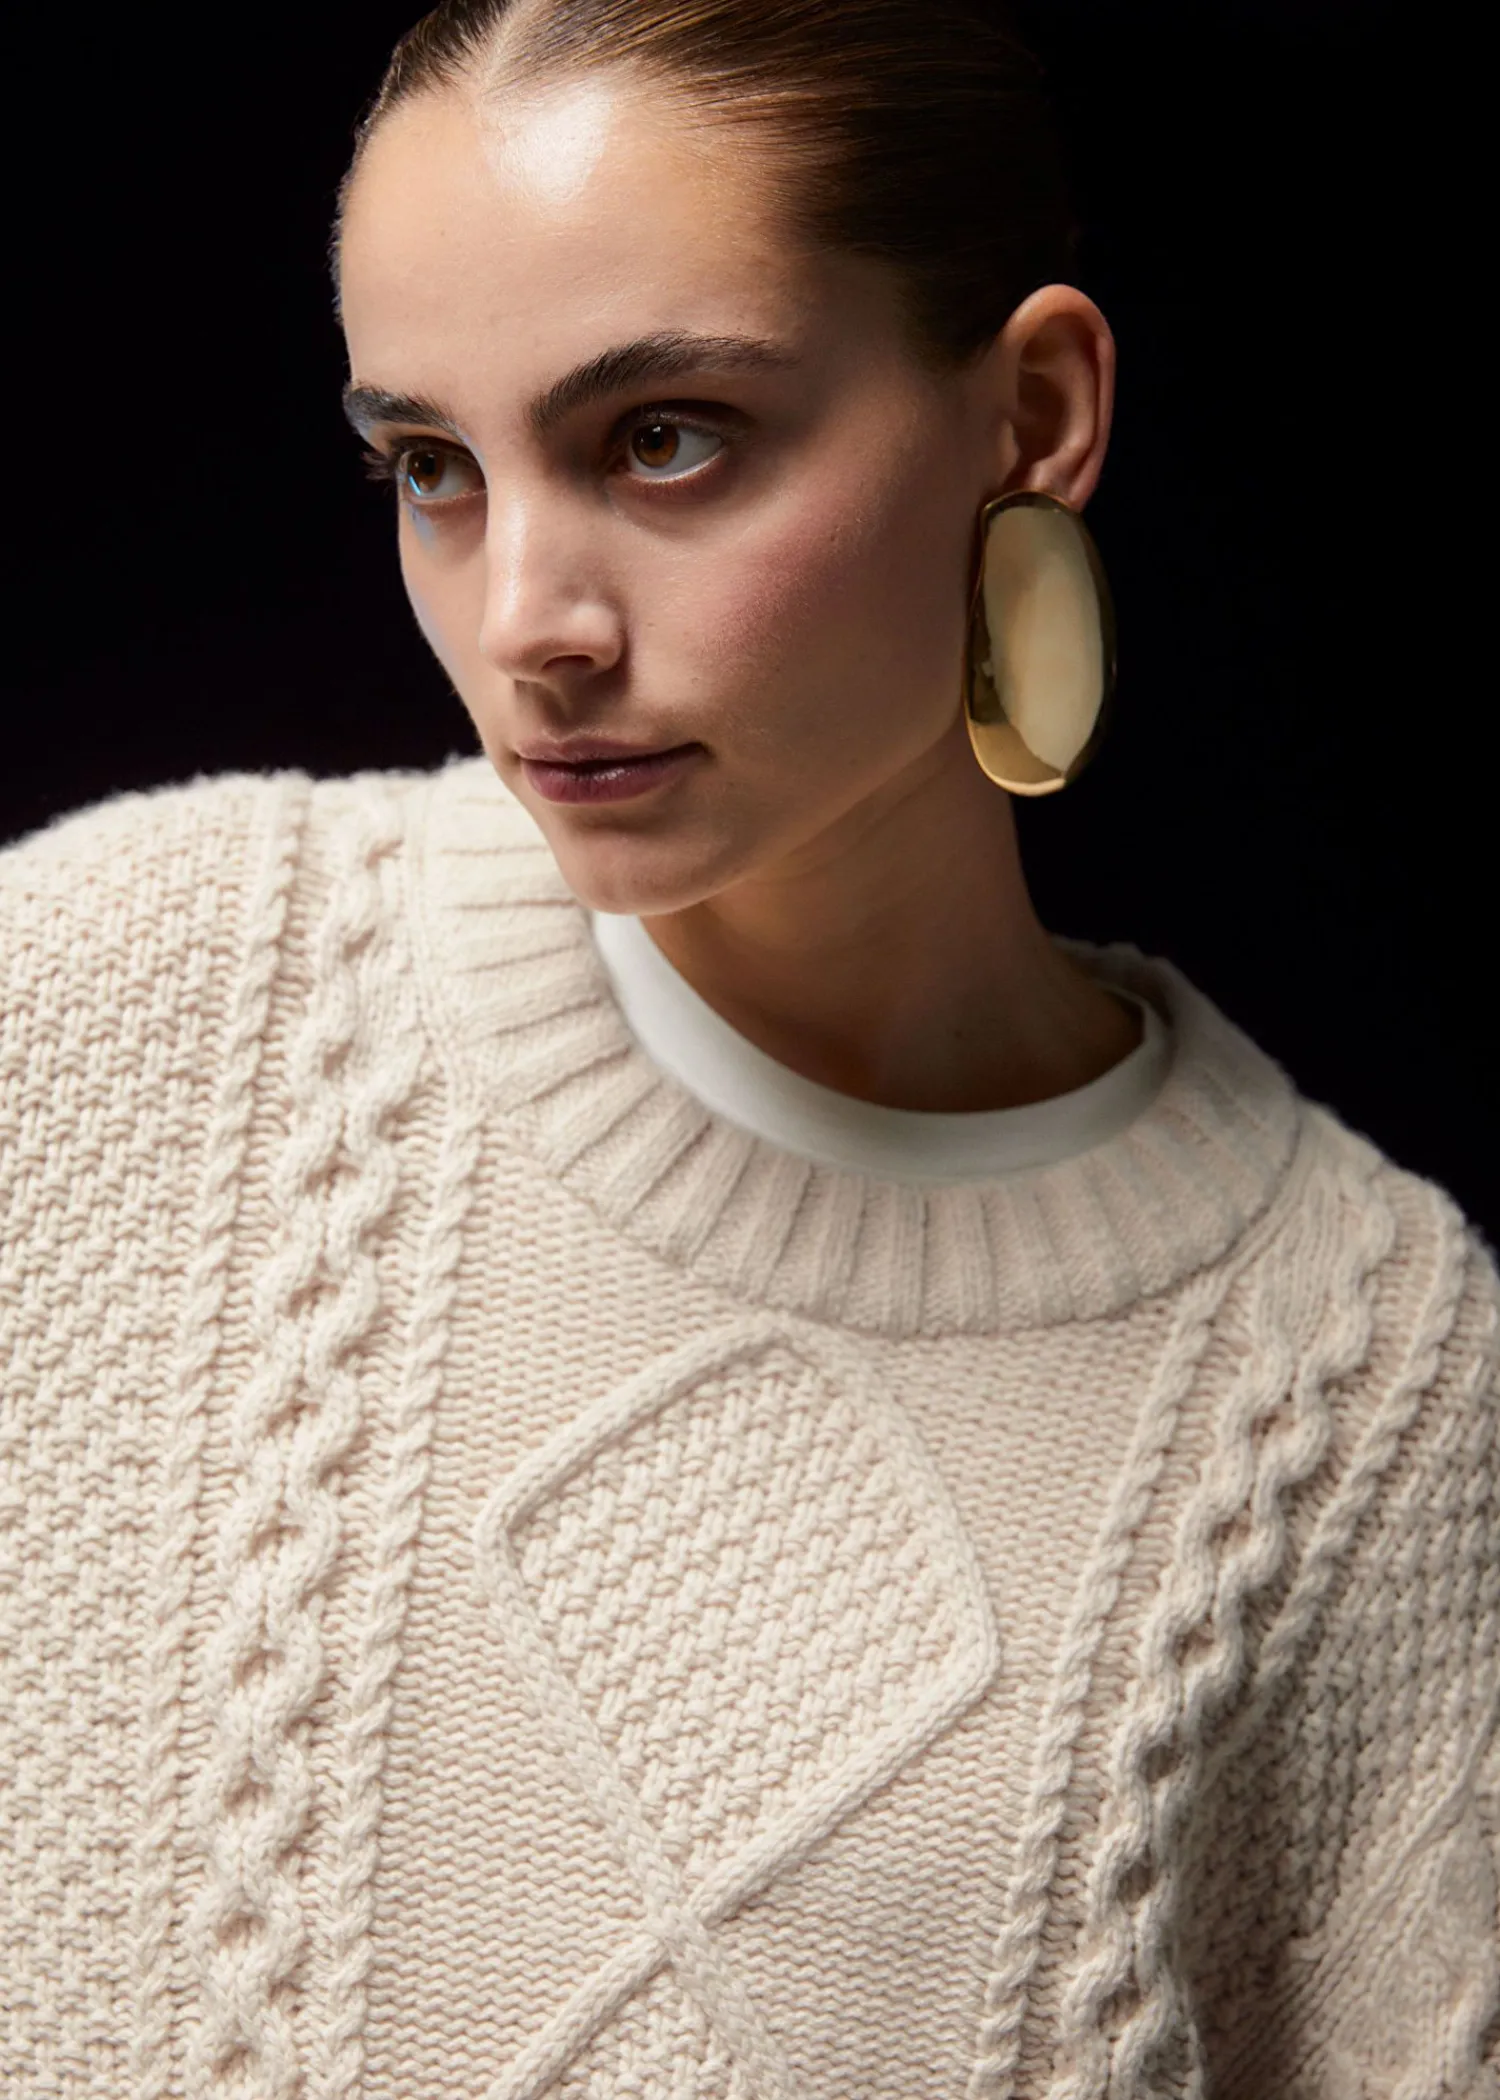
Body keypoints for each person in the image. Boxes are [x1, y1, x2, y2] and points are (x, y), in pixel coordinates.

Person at [2, 2, 1495, 2094]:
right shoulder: (106, 1010)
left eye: (665, 438)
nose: (528, 620)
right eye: (432, 468)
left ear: (1033, 416)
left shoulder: (1363, 1391)